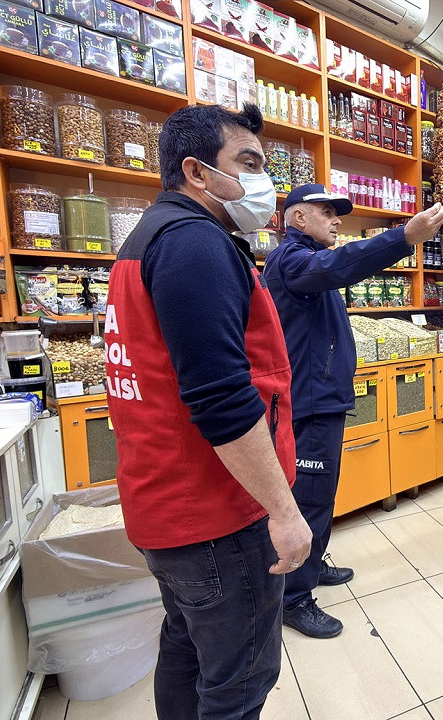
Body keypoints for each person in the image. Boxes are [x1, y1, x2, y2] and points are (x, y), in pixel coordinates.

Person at [103, 103, 312, 720]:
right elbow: (221, 398)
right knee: (238, 682)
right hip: (216, 513)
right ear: (196, 171)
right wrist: (284, 511)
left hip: (167, 505)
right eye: (247, 163)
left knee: (187, 650)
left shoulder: (149, 238)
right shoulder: (194, 243)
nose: (261, 181)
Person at [262, 183, 443, 639]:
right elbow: (339, 265)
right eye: (327, 212)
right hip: (309, 404)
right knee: (309, 499)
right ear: (298, 218)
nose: (337, 220)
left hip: (323, 399)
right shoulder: (292, 259)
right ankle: (293, 598)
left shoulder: (307, 259)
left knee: (322, 494)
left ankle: (312, 560)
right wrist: (404, 237)